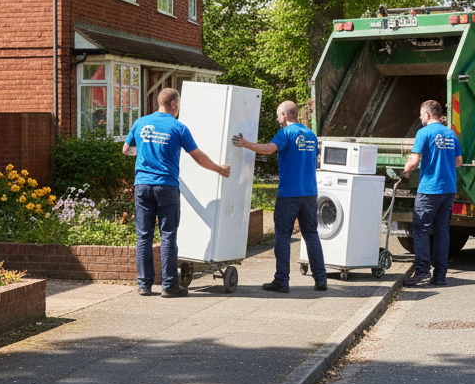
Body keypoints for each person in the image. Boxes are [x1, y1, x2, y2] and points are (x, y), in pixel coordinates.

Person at [123, 88, 230, 297]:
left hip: (142, 186)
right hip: (166, 186)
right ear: (173, 104)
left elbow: (126, 150)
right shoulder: (178, 127)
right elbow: (198, 156)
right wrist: (220, 169)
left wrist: (146, 151)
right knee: (168, 235)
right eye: (178, 105)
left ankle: (144, 285)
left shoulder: (140, 123)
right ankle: (170, 286)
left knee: (143, 236)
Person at [232, 101, 327, 293]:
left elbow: (268, 149)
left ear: (284, 115)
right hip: (309, 193)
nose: (277, 119)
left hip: (289, 194)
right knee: (311, 235)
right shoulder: (311, 134)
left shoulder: (285, 133)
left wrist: (245, 144)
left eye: (278, 115)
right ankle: (321, 279)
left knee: (283, 236)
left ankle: (281, 281)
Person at [402, 99, 462, 286]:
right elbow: (458, 161)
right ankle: (440, 276)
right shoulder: (451, 134)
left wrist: (406, 171)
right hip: (448, 189)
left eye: (421, 114)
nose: (420, 117)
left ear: (428, 114)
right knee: (442, 231)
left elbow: (414, 159)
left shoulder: (423, 133)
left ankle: (421, 272)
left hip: (430, 189)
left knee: (420, 229)